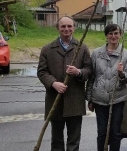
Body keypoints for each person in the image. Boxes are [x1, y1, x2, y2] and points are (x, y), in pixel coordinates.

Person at [37, 16, 92, 151]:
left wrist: (78, 72)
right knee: (56, 140)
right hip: (55, 100)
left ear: (74, 28)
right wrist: (54, 83)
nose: (66, 29)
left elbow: (89, 70)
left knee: (74, 140)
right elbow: (42, 72)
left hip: (75, 101)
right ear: (58, 28)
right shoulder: (48, 49)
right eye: (63, 26)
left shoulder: (82, 48)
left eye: (69, 26)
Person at [86, 24, 127, 151]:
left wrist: (122, 74)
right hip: (99, 99)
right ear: (106, 36)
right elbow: (92, 77)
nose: (113, 36)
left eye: (116, 33)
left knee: (115, 132)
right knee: (101, 132)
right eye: (110, 33)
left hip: (117, 98)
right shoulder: (96, 53)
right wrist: (90, 98)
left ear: (120, 35)